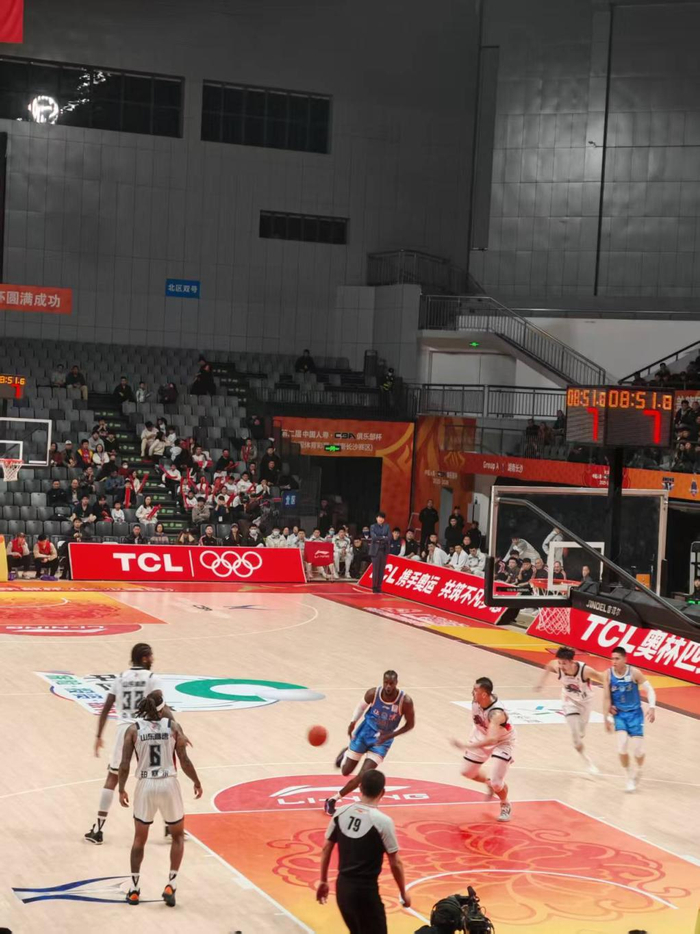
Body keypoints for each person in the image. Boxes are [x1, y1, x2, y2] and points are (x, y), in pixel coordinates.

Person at [118, 691, 202, 906]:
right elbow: (184, 761)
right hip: (168, 784)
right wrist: (196, 781)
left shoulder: (133, 729)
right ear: (162, 708)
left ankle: (134, 889)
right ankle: (171, 884)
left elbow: (125, 764)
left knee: (139, 840)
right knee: (177, 836)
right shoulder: (173, 727)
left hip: (145, 785)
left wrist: (121, 789)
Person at [85, 643, 172, 845]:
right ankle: (170, 827)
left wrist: (98, 735)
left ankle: (98, 830)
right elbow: (162, 707)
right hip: (147, 729)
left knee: (112, 777)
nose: (153, 659)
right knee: (159, 777)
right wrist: (176, 729)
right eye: (151, 656)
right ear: (144, 658)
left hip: (124, 730)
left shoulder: (120, 678)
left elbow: (106, 707)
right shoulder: (152, 679)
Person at [317, 769, 409, 933]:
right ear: (382, 792)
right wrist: (403, 892)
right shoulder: (383, 822)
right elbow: (395, 862)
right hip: (366, 892)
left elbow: (326, 848)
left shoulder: (340, 812)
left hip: (343, 889)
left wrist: (323, 880)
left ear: (360, 788)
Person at [325, 670, 415, 816]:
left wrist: (391, 735)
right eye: (386, 682)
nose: (388, 686)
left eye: (391, 683)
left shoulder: (405, 701)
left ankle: (333, 799)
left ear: (396, 683)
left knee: (363, 775)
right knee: (345, 771)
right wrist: (352, 723)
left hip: (382, 741)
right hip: (365, 732)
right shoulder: (373, 693)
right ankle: (346, 753)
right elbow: (360, 707)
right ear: (383, 682)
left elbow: (410, 725)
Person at [451, 677, 516, 822]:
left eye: (475, 690)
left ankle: (505, 804)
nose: (472, 692)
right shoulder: (476, 701)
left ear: (484, 694)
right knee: (467, 772)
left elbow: (492, 739)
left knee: (497, 783)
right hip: (481, 734)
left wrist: (466, 745)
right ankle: (488, 782)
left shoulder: (496, 714)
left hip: (502, 741)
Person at [536, 647, 604, 773]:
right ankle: (588, 763)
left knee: (581, 733)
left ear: (572, 662)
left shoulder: (585, 671)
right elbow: (549, 665)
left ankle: (580, 735)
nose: (561, 666)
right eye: (560, 663)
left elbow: (603, 679)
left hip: (585, 702)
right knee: (576, 737)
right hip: (569, 701)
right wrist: (541, 683)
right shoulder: (557, 666)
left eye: (564, 663)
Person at [604, 647, 656, 792]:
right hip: (619, 714)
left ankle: (639, 769)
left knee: (638, 751)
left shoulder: (634, 673)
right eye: (612, 658)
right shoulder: (608, 674)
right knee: (622, 746)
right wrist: (607, 716)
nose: (614, 661)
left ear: (625, 659)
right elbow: (606, 697)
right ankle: (628, 777)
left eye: (617, 658)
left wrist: (652, 707)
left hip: (635, 714)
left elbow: (650, 689)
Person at [369, 511, 391, 593]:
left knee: (382, 570)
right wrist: (383, 537)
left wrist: (381, 538)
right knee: (376, 569)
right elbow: (374, 537)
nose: (381, 519)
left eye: (382, 518)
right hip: (375, 551)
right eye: (379, 517)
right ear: (376, 518)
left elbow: (389, 537)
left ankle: (379, 586)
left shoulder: (387, 526)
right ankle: (374, 586)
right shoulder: (373, 526)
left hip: (384, 550)